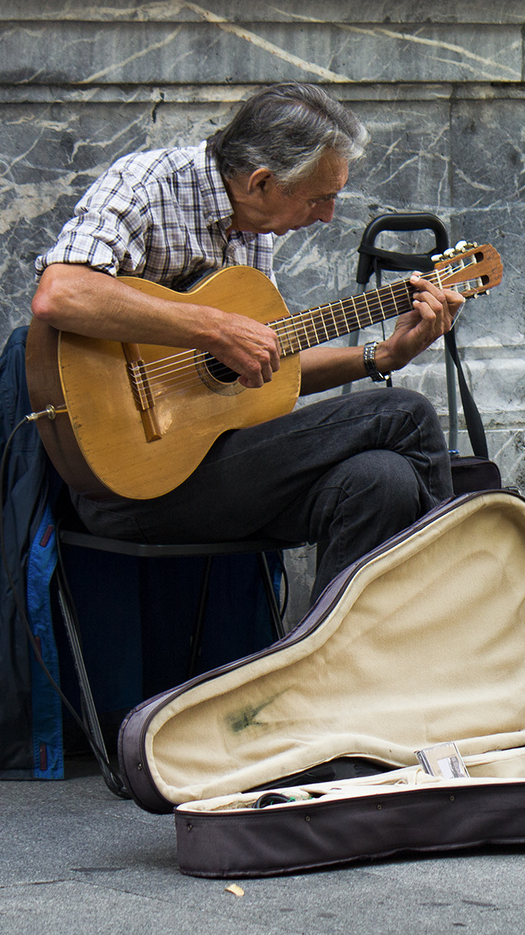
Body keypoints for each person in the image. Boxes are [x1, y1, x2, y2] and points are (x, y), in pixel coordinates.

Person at [30, 83, 463, 599]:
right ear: (261, 181)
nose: (327, 215)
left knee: (382, 480)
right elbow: (60, 293)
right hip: (130, 487)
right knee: (405, 414)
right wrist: (212, 329)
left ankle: (324, 670)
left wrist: (382, 355)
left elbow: (274, 365)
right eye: (321, 197)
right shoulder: (146, 184)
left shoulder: (254, 229)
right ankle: (454, 618)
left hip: (219, 468)